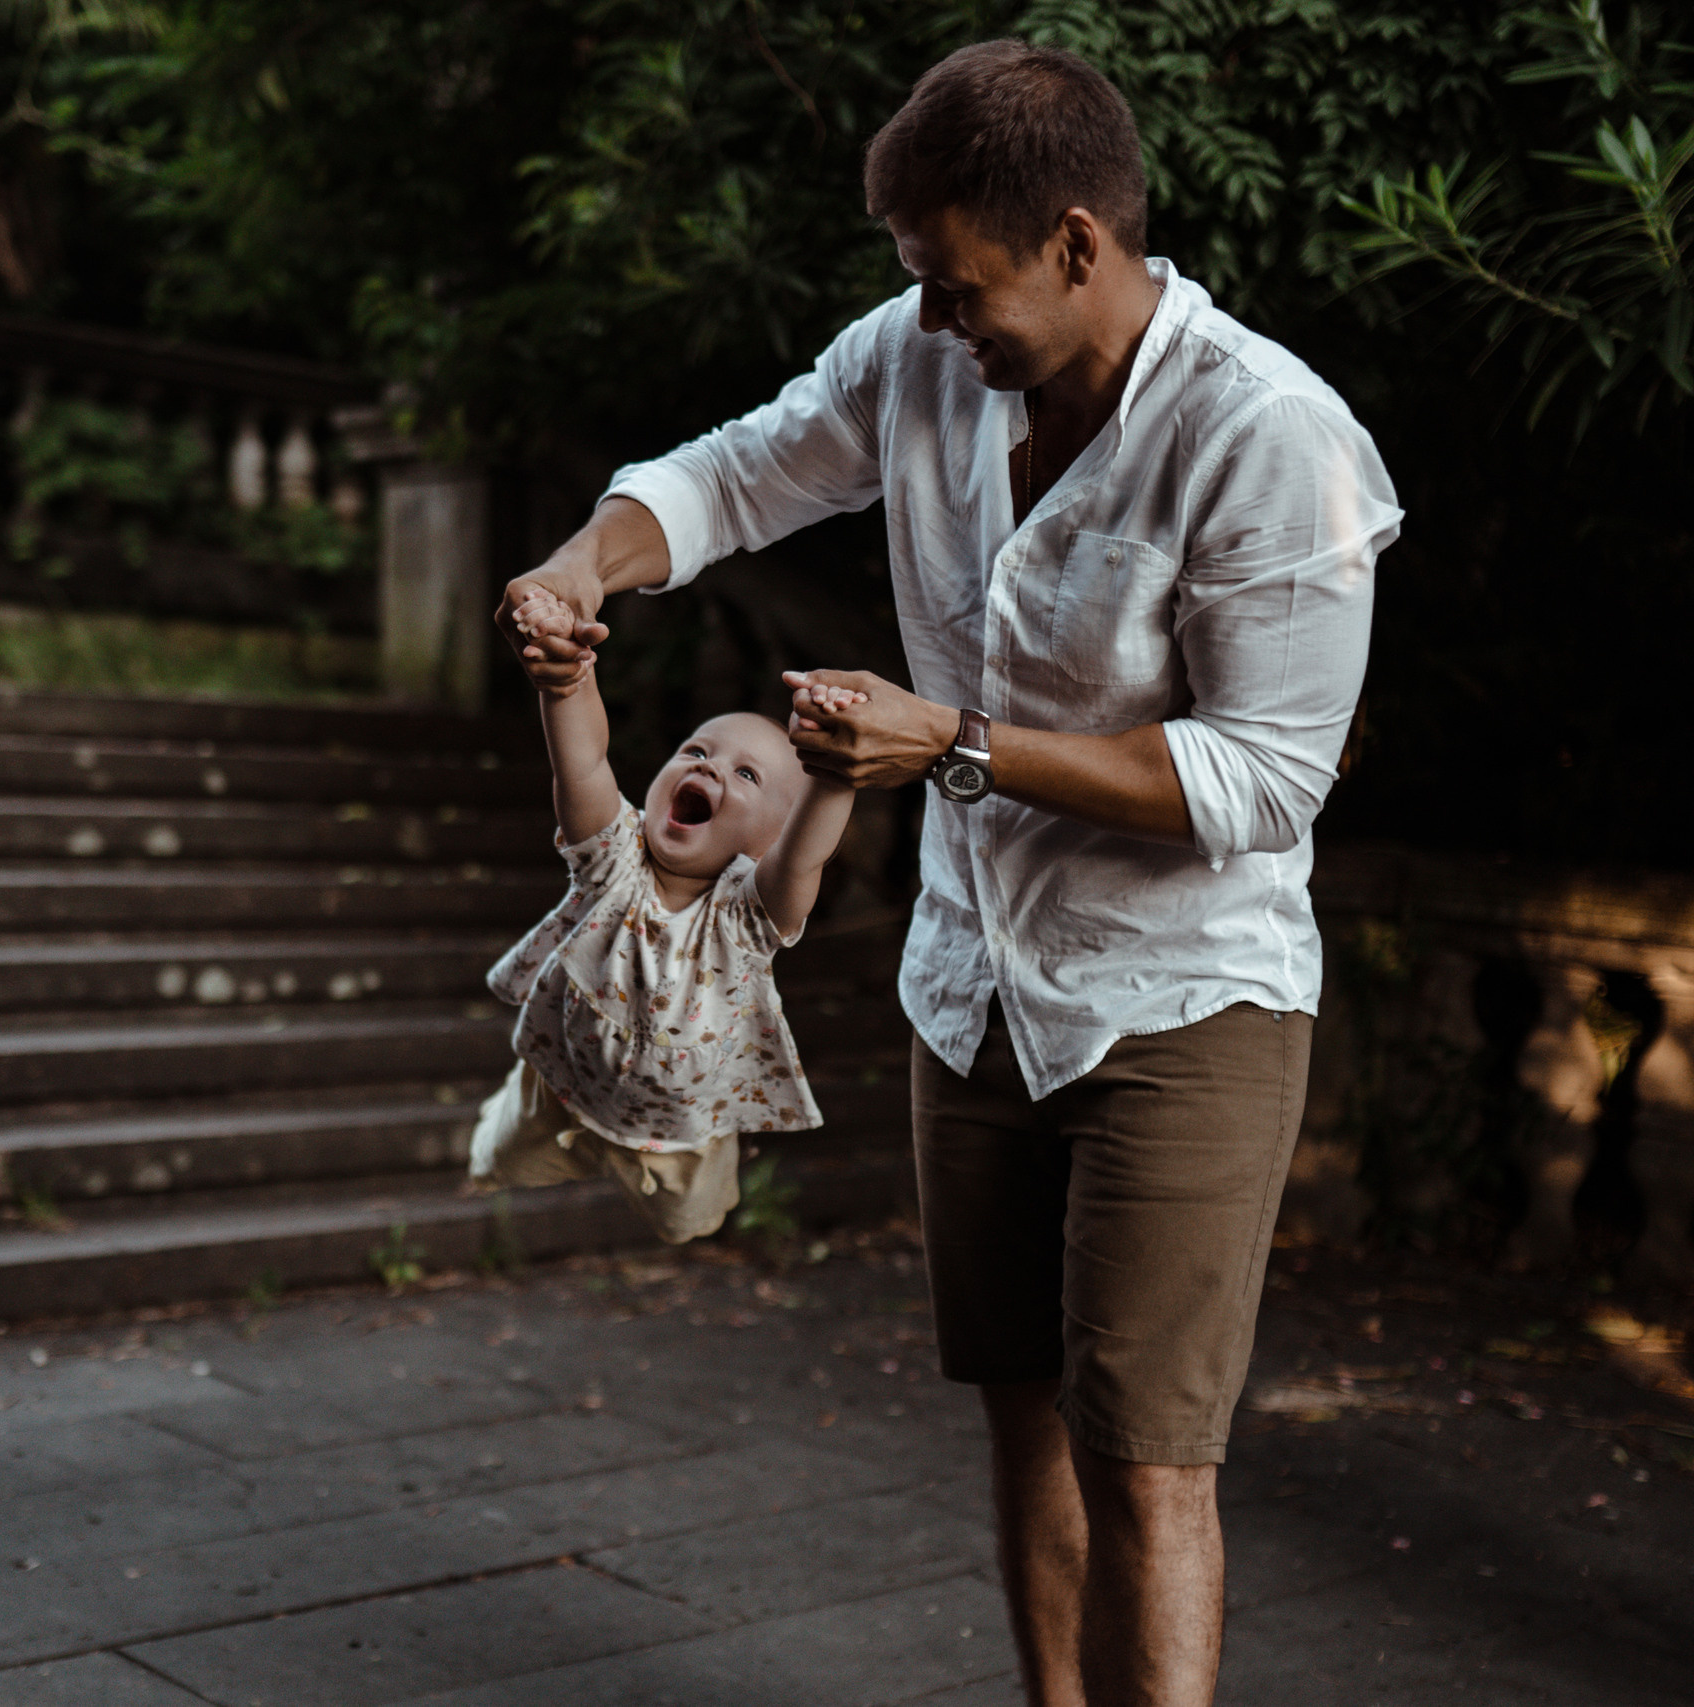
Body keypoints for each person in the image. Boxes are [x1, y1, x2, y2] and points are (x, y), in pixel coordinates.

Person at [493, 37, 1398, 1707]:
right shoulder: (925, 370)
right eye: (911, 281)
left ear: (1075, 242)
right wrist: (582, 557)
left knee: (1149, 1453)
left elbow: (1269, 778)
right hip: (973, 987)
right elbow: (734, 475)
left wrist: (957, 745)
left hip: (1185, 997)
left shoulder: (1270, 435)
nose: (927, 320)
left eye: (955, 282)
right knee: (1020, 1402)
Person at [468, 585, 862, 1244]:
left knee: (691, 1222)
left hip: (681, 1128)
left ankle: (691, 1200)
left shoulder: (747, 916)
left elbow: (802, 861)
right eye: (697, 751)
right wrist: (566, 683)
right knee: (497, 1157)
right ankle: (502, 1145)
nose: (711, 769)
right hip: (561, 1078)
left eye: (748, 776)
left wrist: (836, 771)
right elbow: (585, 760)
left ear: (770, 838)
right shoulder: (613, 857)